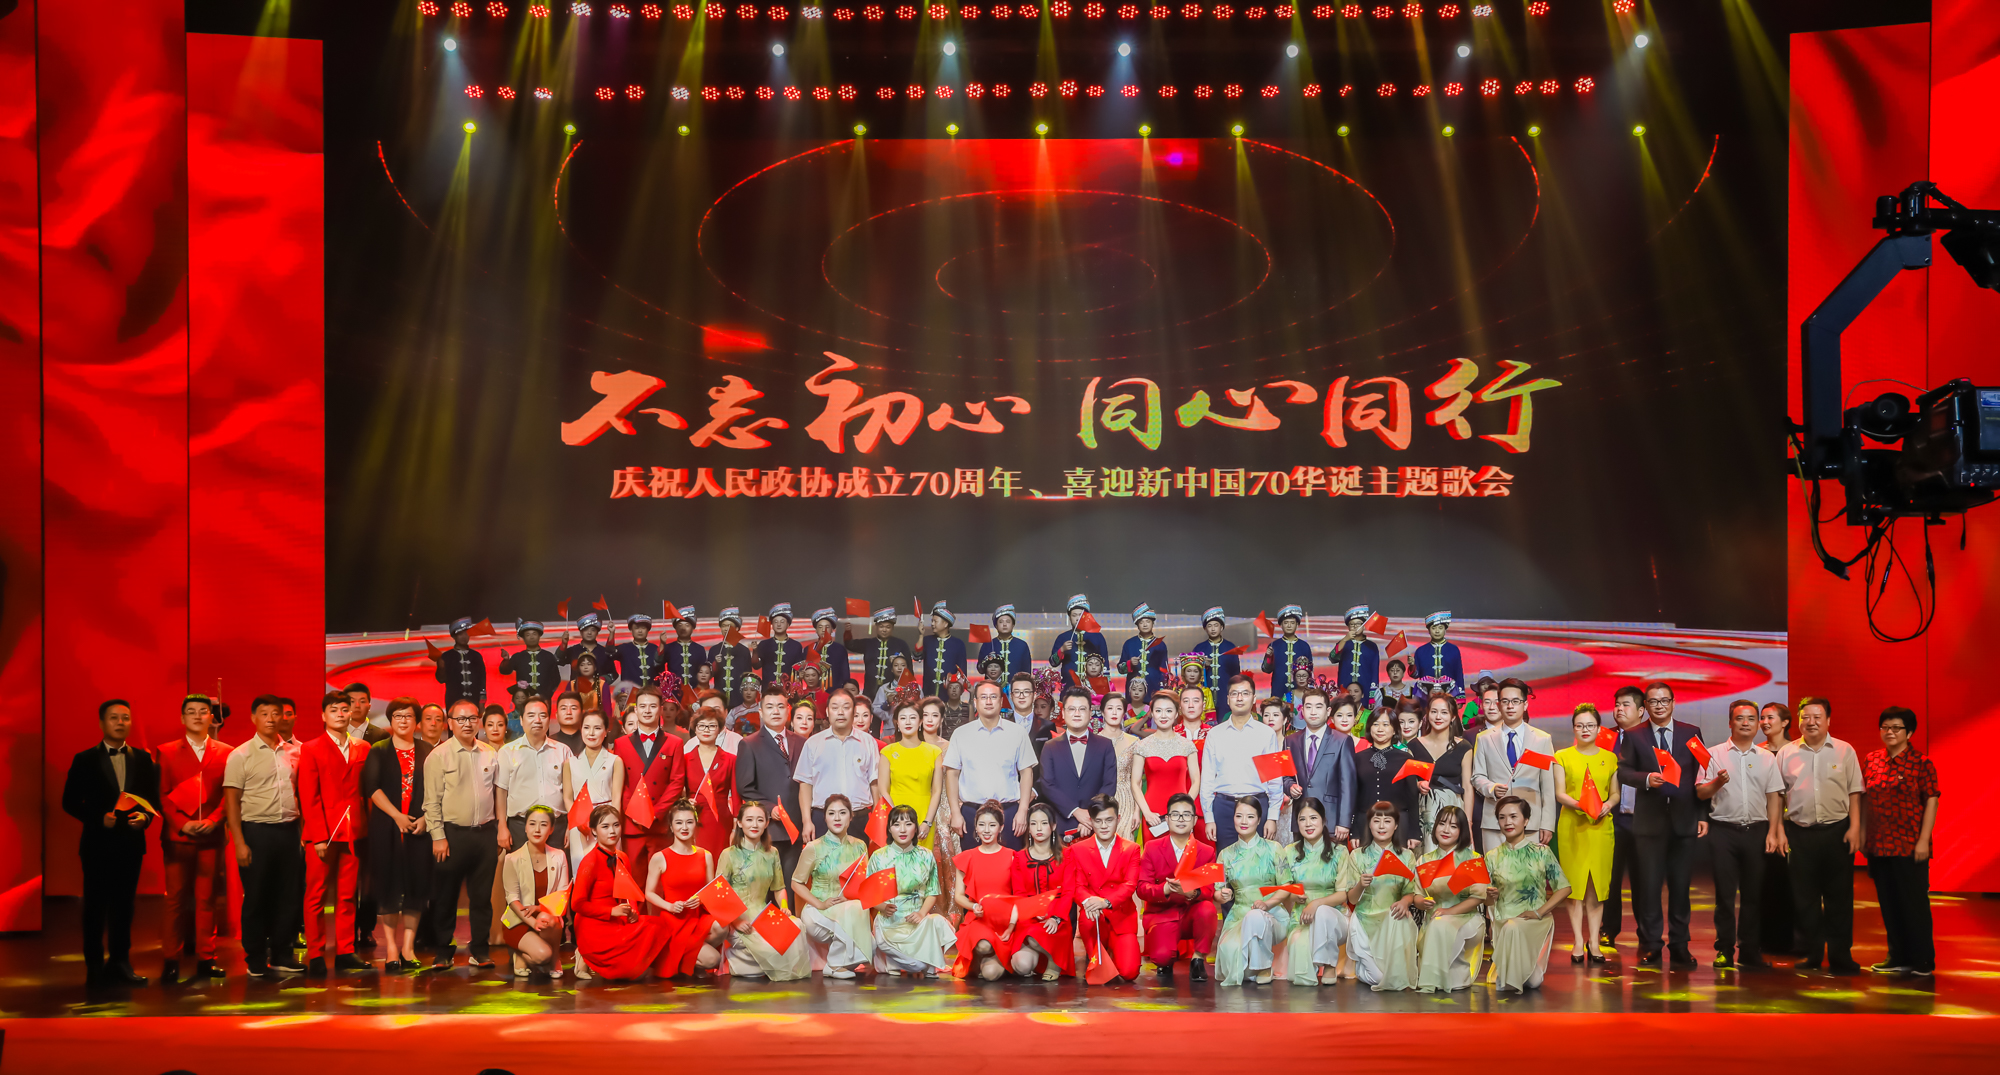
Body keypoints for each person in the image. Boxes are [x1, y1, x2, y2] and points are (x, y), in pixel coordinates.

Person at [64, 699, 158, 987]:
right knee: (95, 907)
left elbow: (152, 800)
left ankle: (120, 962)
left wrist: (145, 817)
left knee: (124, 907)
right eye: (114, 717)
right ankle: (94, 966)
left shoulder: (143, 759)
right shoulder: (85, 759)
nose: (120, 722)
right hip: (97, 845)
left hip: (131, 844)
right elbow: (69, 801)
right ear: (102, 723)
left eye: (125, 718)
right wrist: (97, 819)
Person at [1616, 680, 1707, 970]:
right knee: (1650, 887)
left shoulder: (1691, 733)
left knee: (1681, 888)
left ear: (1673, 703)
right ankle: (1651, 945)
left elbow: (1702, 774)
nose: (1659, 706)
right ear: (1645, 706)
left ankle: (1680, 945)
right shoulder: (1635, 735)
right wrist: (1645, 779)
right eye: (1653, 701)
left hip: (1684, 821)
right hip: (1649, 823)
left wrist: (1703, 815)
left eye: (1664, 700)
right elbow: (1623, 772)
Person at [1776, 696, 1866, 974]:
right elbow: (1777, 796)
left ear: (1828, 720)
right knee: (1806, 899)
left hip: (1837, 832)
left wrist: (1855, 827)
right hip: (1799, 833)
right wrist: (1778, 831)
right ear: (1798, 721)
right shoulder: (1786, 753)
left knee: (1840, 898)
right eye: (1806, 717)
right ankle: (1813, 954)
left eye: (1817, 717)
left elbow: (1855, 791)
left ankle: (1841, 956)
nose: (1811, 722)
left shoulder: (1844, 750)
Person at [1694, 698, 1786, 971]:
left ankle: (1749, 951)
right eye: (1740, 718)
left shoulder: (1767, 757)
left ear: (1758, 724)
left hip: (1756, 831)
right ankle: (1724, 950)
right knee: (1724, 896)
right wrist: (1717, 782)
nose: (1746, 723)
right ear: (1730, 722)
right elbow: (1700, 792)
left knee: (1753, 895)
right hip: (1723, 832)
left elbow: (1774, 796)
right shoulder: (1713, 754)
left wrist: (1773, 831)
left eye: (1751, 719)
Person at [224, 695, 305, 978]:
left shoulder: (296, 752)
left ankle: (282, 954)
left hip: (289, 831)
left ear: (283, 717)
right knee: (257, 896)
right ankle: (256, 957)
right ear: (253, 718)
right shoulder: (240, 755)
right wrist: (239, 842)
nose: (271, 719)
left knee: (288, 896)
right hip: (256, 832)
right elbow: (231, 802)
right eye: (264, 713)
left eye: (276, 713)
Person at [155, 693, 231, 983]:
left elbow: (229, 793)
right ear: (182, 717)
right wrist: (182, 824)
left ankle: (206, 958)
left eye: (203, 711)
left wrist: (213, 820)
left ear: (212, 717)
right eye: (191, 711)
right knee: (175, 900)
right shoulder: (166, 751)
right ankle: (171, 960)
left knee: (207, 900)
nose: (198, 716)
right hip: (178, 837)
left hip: (211, 836)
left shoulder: (227, 752)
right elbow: (161, 795)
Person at [422, 698, 500, 972]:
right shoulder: (438, 756)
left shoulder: (490, 753)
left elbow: (498, 794)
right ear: (450, 723)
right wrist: (438, 836)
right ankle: (443, 951)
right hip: (451, 835)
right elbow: (431, 802)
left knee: (482, 898)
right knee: (446, 897)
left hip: (485, 835)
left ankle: (480, 950)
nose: (468, 724)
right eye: (461, 719)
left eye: (472, 718)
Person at [298, 691, 370, 976]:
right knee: (316, 896)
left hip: (354, 832)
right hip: (323, 834)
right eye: (334, 710)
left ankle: (345, 951)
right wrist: (317, 836)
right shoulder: (311, 748)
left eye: (344, 709)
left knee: (348, 895)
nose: (340, 714)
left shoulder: (363, 747)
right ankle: (316, 953)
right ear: (323, 715)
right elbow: (309, 796)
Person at [1864, 705, 1939, 977]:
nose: (1890, 732)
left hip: (1909, 844)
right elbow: (1864, 799)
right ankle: (1897, 956)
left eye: (1896, 728)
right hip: (1878, 845)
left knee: (1913, 903)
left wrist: (1923, 840)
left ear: (1910, 733)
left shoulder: (1922, 763)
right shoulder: (1872, 760)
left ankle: (1922, 960)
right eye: (1885, 727)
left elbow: (1931, 801)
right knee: (1888, 903)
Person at [363, 698, 434, 973]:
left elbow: (438, 789)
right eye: (397, 716)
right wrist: (397, 816)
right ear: (390, 720)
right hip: (387, 827)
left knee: (417, 887)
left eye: (408, 716)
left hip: (420, 828)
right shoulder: (379, 750)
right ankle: (391, 948)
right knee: (388, 886)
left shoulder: (428, 751)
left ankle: (408, 947)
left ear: (417, 722)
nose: (403, 721)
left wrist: (426, 818)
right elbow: (372, 787)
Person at [573, 805, 676, 979]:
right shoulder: (590, 861)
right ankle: (583, 954)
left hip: (618, 920)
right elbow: (577, 904)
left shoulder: (622, 857)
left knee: (659, 926)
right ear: (594, 831)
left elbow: (628, 893)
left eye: (616, 825)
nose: (612, 831)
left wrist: (633, 912)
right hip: (594, 924)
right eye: (605, 826)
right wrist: (610, 911)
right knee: (628, 971)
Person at [712, 801, 811, 980]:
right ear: (739, 823)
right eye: (749, 819)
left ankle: (757, 964)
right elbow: (719, 894)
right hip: (740, 918)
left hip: (763, 915)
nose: (755, 824)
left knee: (796, 926)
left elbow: (779, 888)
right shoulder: (729, 854)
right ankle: (739, 960)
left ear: (766, 823)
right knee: (770, 950)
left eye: (760, 820)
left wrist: (784, 906)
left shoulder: (772, 853)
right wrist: (735, 922)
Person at [1553, 702, 1619, 965]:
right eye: (1579, 725)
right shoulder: (1562, 756)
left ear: (1599, 728)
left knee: (1597, 887)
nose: (1585, 729)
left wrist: (1607, 805)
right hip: (1573, 825)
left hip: (1601, 827)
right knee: (1575, 887)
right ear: (1573, 728)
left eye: (1590, 725)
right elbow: (1560, 793)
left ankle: (1594, 941)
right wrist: (1582, 805)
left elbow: (1615, 793)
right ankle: (1578, 940)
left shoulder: (1610, 758)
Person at [1485, 796, 1572, 992]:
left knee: (1533, 982)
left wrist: (1539, 912)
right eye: (1502, 817)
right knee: (1510, 928)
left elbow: (1564, 888)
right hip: (1504, 921)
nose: (1507, 822)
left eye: (1513, 816)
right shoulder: (1492, 856)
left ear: (1526, 820)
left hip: (1535, 921)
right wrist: (1489, 897)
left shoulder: (1542, 852)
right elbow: (1486, 900)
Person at [943, 680, 1038, 849]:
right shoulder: (961, 734)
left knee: (1010, 862)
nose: (988, 701)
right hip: (971, 812)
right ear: (975, 702)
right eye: (983, 697)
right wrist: (955, 812)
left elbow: (1026, 773)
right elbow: (952, 774)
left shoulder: (1017, 732)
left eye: (993, 697)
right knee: (973, 863)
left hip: (1009, 812)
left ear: (1001, 701)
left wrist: (1023, 810)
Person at [1134, 791, 1216, 983]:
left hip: (1191, 912)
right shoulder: (1152, 848)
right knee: (1162, 958)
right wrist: (1165, 890)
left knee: (1208, 909)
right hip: (1162, 914)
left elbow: (1209, 890)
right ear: (1167, 819)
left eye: (1186, 815)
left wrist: (1193, 892)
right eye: (1175, 815)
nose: (1181, 819)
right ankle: (1167, 956)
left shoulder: (1207, 851)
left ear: (1194, 820)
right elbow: (1142, 888)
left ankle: (1198, 958)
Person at [1284, 796, 1365, 987]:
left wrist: (1316, 903)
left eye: (1313, 818)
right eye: (1302, 819)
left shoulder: (1339, 852)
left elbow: (1343, 894)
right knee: (1301, 955)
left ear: (1324, 820)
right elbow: (1285, 890)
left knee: (1322, 912)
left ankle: (1329, 964)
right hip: (1301, 917)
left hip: (1335, 917)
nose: (1308, 824)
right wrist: (1294, 896)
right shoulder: (1289, 852)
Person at [1213, 796, 1293, 986]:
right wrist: (1223, 895)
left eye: (1250, 817)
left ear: (1258, 820)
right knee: (1229, 951)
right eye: (1239, 816)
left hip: (1272, 914)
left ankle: (1263, 966)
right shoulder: (1225, 854)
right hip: (1239, 915)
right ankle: (1251, 969)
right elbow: (1217, 892)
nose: (1243, 821)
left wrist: (1267, 903)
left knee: (1256, 916)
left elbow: (1286, 887)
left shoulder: (1274, 848)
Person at [867, 804, 955, 976]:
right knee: (917, 966)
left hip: (916, 923)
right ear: (889, 829)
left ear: (916, 828)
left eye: (908, 824)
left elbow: (932, 892)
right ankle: (895, 957)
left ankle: (902, 961)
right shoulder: (879, 857)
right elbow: (870, 894)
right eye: (896, 824)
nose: (902, 829)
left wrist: (921, 913)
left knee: (936, 921)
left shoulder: (926, 855)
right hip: (890, 923)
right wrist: (882, 907)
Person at [792, 793, 874, 977]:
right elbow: (796, 883)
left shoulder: (860, 846)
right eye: (831, 813)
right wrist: (820, 904)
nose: (837, 818)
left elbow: (863, 883)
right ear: (825, 818)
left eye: (842, 813)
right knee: (860, 937)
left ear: (851, 817)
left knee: (872, 947)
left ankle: (837, 963)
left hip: (850, 909)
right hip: (818, 911)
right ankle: (835, 965)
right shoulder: (814, 847)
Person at [1340, 801, 1419, 990]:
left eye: (1387, 821)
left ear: (1396, 825)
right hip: (1365, 920)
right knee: (1380, 979)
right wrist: (1361, 884)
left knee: (1396, 979)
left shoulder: (1407, 856)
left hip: (1393, 921)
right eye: (1376, 821)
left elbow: (1410, 892)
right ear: (1369, 824)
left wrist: (1404, 902)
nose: (1382, 826)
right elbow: (1352, 899)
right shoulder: (1357, 855)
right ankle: (1360, 966)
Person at [1200, 676, 1283, 851]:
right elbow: (1207, 779)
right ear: (1227, 699)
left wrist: (1272, 817)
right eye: (1234, 694)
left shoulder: (1266, 733)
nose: (1239, 698)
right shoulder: (1215, 734)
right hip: (1224, 808)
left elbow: (1274, 779)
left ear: (1253, 699)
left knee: (1259, 861)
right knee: (1226, 861)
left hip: (1257, 805)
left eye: (1245, 693)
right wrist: (1209, 818)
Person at [1472, 678, 1555, 851]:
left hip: (1530, 822)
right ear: (1499, 705)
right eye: (1505, 701)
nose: (1510, 706)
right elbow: (1477, 776)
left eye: (1515, 701)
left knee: (1528, 868)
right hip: (1494, 822)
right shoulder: (1484, 738)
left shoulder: (1542, 739)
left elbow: (1547, 785)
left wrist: (1547, 823)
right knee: (1495, 868)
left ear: (1525, 705)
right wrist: (1491, 788)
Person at [643, 800, 724, 978]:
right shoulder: (660, 857)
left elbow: (710, 891)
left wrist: (701, 899)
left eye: (689, 822)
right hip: (674, 921)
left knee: (723, 926)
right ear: (671, 827)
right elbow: (649, 893)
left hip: (698, 917)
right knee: (713, 959)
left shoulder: (706, 855)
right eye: (679, 823)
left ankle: (685, 959)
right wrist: (670, 906)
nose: (684, 827)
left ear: (696, 824)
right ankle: (679, 959)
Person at [737, 685, 810, 881]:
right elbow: (745, 788)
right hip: (769, 828)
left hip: (798, 826)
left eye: (780, 706)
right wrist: (770, 809)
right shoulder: (749, 744)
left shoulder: (802, 743)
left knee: (793, 883)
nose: (775, 711)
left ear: (788, 710)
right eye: (769, 707)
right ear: (761, 712)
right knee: (768, 885)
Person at [1066, 795, 1141, 983]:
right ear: (1091, 822)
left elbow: (1130, 885)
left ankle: (1111, 952)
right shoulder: (1077, 849)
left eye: (1109, 820)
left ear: (1118, 819)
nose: (1104, 826)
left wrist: (1106, 902)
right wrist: (1088, 902)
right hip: (1094, 918)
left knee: (1129, 972)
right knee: (1088, 918)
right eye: (1098, 821)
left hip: (1121, 917)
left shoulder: (1131, 849)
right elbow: (1077, 886)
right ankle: (1096, 951)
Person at [613, 686, 687, 868]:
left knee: (662, 877)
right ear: (636, 709)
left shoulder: (675, 742)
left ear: (660, 709)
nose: (647, 711)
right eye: (643, 706)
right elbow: (620, 783)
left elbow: (677, 782)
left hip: (661, 824)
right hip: (632, 825)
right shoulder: (620, 743)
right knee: (633, 878)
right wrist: (634, 812)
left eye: (652, 706)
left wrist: (656, 812)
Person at [1415, 805, 1486, 992]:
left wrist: (1449, 911)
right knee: (1437, 924)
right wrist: (1422, 902)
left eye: (1453, 826)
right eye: (1442, 824)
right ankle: (1440, 976)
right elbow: (1417, 896)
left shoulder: (1473, 859)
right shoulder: (1424, 860)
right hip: (1433, 917)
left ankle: (1436, 978)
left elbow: (1478, 897)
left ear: (1462, 831)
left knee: (1440, 924)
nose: (1446, 830)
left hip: (1467, 917)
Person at [1598, 684, 1647, 953]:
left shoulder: (1650, 738)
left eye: (1626, 704)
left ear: (1641, 710)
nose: (1619, 709)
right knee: (1610, 879)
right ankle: (1608, 929)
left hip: (1644, 820)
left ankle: (1647, 933)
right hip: (1612, 819)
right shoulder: (1604, 738)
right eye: (1617, 704)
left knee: (1644, 881)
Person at [796, 687, 879, 842]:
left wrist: (876, 821)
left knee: (859, 858)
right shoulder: (813, 743)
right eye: (835, 708)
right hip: (822, 818)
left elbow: (874, 783)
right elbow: (805, 784)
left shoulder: (868, 742)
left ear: (853, 712)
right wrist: (807, 821)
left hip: (859, 819)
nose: (840, 712)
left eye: (846, 707)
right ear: (827, 712)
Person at [1039, 687, 1120, 843]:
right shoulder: (1050, 747)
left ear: (1090, 713)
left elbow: (1109, 784)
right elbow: (1047, 785)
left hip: (1096, 825)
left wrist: (1090, 815)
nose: (1077, 714)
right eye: (1071, 709)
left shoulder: (1105, 745)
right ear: (1063, 713)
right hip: (1061, 825)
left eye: (1082, 709)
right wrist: (1075, 811)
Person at [499, 805, 571, 980]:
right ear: (525, 827)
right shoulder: (512, 859)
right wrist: (532, 921)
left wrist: (539, 909)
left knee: (548, 918)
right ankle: (521, 955)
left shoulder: (559, 856)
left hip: (547, 919)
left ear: (551, 829)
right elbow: (512, 899)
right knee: (542, 956)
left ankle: (555, 959)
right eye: (532, 824)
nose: (537, 829)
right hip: (519, 920)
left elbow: (562, 895)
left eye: (543, 824)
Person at [950, 803, 1020, 980]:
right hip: (979, 919)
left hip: (1006, 921)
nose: (986, 830)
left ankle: (998, 959)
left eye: (992, 825)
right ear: (976, 827)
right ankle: (980, 956)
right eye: (981, 825)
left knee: (990, 975)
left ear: (1001, 827)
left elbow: (1019, 896)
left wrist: (1012, 924)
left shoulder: (1013, 856)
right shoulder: (967, 857)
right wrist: (973, 907)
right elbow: (959, 896)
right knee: (984, 945)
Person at [1009, 802, 1077, 979]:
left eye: (1044, 823)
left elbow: (1068, 891)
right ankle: (1043, 957)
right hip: (1030, 916)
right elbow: (1019, 894)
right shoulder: (1019, 857)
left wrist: (1056, 917)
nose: (1038, 828)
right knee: (1021, 966)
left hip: (1057, 916)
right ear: (1028, 828)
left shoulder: (1067, 855)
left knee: (1039, 935)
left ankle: (1055, 962)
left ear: (1053, 826)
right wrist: (1033, 911)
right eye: (1033, 823)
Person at [497, 696, 572, 854]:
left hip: (557, 827)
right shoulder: (507, 752)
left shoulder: (563, 751)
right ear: (521, 720)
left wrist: (572, 827)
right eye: (531, 715)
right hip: (519, 827)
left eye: (542, 715)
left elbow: (572, 793)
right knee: (521, 869)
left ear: (549, 720)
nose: (537, 720)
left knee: (557, 869)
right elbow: (501, 792)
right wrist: (502, 827)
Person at [1134, 692, 1202, 843]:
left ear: (1176, 714)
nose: (1163, 715)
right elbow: (1135, 783)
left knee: (1182, 853)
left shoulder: (1187, 745)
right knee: (1154, 853)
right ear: (1152, 714)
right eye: (1158, 711)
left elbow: (1196, 781)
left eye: (1169, 711)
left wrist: (1185, 809)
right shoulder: (1142, 745)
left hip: (1181, 812)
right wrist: (1146, 812)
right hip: (1153, 813)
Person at [1352, 704, 1422, 850]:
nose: (1380, 729)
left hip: (1398, 823)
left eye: (1385, 724)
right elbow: (1354, 797)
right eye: (1375, 724)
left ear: (1394, 729)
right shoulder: (1358, 758)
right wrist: (1354, 831)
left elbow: (1412, 797)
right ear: (1369, 728)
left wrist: (1414, 832)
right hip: (1365, 822)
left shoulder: (1406, 758)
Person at [878, 699, 944, 850]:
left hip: (923, 814)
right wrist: (896, 821)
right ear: (897, 722)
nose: (908, 722)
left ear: (920, 721)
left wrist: (927, 822)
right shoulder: (887, 752)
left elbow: (937, 791)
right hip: (894, 814)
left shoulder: (934, 752)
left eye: (912, 717)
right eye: (903, 718)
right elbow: (883, 790)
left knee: (921, 860)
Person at [1408, 690, 1470, 852]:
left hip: (1452, 807)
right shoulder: (1414, 745)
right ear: (1427, 714)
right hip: (1423, 810)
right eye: (1434, 712)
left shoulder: (1463, 747)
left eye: (1444, 712)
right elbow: (1407, 782)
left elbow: (1468, 787)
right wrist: (1417, 784)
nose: (1438, 717)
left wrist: (1468, 823)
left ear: (1453, 717)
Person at [565, 710, 624, 867]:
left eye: (597, 728)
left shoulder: (615, 761)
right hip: (580, 824)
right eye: (586, 727)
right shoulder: (570, 762)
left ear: (605, 731)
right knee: (581, 868)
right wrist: (578, 820)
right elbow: (567, 797)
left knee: (608, 869)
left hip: (607, 822)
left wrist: (612, 823)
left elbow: (616, 797)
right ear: (581, 730)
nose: (591, 733)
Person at [684, 708, 739, 855]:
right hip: (692, 818)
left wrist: (736, 827)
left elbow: (736, 796)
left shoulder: (730, 759)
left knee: (719, 859)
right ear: (695, 729)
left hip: (721, 820)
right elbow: (677, 790)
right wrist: (685, 802)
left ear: (719, 729)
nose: (706, 730)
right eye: (702, 725)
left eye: (712, 726)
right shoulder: (685, 759)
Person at [1098, 694, 1143, 842]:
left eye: (1119, 709)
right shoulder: (1093, 741)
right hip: (1101, 799)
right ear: (1102, 712)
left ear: (1124, 713)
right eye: (1110, 708)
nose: (1114, 712)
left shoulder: (1134, 742)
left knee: (1125, 845)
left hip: (1126, 799)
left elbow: (1137, 780)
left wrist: (1137, 811)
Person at [853, 607, 912, 701]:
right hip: (869, 692)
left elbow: (909, 671)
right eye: (881, 626)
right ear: (876, 626)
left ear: (892, 628)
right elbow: (849, 645)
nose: (884, 630)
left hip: (893, 693)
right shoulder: (868, 643)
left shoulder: (901, 645)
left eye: (888, 627)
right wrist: (847, 632)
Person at [1188, 609, 1240, 718]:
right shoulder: (1199, 648)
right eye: (1209, 626)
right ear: (1205, 628)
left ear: (1221, 627)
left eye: (1216, 625)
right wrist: (1202, 665)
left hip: (1225, 696)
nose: (1213, 629)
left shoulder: (1230, 647)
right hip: (1204, 697)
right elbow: (1191, 676)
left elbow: (1236, 675)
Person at [498, 620, 563, 705]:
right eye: (528, 635)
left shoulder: (548, 656)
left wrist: (546, 695)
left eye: (534, 634)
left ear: (539, 636)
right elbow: (505, 671)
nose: (531, 637)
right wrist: (506, 660)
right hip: (523, 700)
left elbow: (556, 679)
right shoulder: (518, 657)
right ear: (523, 638)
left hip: (544, 700)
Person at [1261, 605, 1314, 703]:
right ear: (1281, 625)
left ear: (1297, 625)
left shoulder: (1304, 646)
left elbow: (1310, 673)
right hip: (1278, 691)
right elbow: (1266, 669)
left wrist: (1311, 691)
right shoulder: (1274, 645)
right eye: (1286, 623)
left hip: (1299, 693)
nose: (1289, 626)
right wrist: (1269, 657)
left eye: (1292, 623)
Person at [432, 617, 487, 709]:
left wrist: (482, 702)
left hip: (474, 701)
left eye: (466, 633)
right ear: (454, 636)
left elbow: (482, 680)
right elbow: (441, 680)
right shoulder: (446, 656)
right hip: (453, 702)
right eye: (460, 634)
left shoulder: (476, 656)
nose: (464, 636)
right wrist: (441, 668)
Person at [914, 602, 966, 697]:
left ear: (945, 624)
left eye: (935, 621)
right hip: (928, 693)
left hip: (949, 696)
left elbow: (962, 673)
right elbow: (917, 656)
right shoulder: (927, 640)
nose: (932, 624)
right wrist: (921, 635)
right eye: (932, 621)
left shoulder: (958, 644)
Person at [1409, 611, 1465, 696]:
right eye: (1434, 628)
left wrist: (1460, 696)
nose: (1437, 631)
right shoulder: (1420, 651)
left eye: (1440, 628)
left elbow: (1458, 674)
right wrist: (1412, 666)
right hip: (1426, 695)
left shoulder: (1453, 650)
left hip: (1449, 694)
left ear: (1445, 629)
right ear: (1429, 630)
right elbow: (1416, 675)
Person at [1330, 605, 1381, 700]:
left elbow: (1375, 671)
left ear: (1364, 626)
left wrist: (1372, 696)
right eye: (1352, 624)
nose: (1355, 627)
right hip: (1344, 688)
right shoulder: (1344, 643)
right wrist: (1345, 639)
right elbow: (1332, 658)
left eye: (1358, 624)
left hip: (1365, 689)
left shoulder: (1372, 646)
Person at [1120, 603, 1171, 696]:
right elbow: (1120, 669)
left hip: (1154, 688)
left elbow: (1164, 669)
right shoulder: (1129, 644)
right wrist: (1129, 663)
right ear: (1137, 625)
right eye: (1141, 622)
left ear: (1153, 623)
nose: (1145, 625)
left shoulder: (1160, 644)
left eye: (1148, 621)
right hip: (1133, 690)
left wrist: (1162, 688)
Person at [556, 611, 618, 681]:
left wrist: (600, 681)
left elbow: (613, 675)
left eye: (593, 630)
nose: (589, 633)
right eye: (585, 630)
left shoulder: (604, 652)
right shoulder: (573, 650)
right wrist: (564, 643)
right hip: (576, 688)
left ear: (597, 632)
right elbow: (558, 660)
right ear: (581, 632)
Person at [755, 603, 806, 686]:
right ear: (772, 625)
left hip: (788, 690)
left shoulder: (796, 646)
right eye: (775, 622)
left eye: (782, 622)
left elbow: (798, 670)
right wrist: (755, 651)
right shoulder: (764, 644)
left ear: (788, 624)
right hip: (768, 689)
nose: (778, 624)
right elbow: (756, 666)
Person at [975, 604, 1031, 679]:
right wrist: (986, 661)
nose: (1004, 624)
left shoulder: (1022, 645)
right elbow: (980, 670)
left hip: (1015, 686)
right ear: (996, 625)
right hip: (992, 685)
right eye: (1001, 622)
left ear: (1013, 625)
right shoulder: (987, 644)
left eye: (1008, 622)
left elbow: (1027, 673)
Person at [614, 612, 665, 688]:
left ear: (648, 630)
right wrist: (612, 633)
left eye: (643, 628)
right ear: (631, 629)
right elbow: (609, 653)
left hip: (651, 692)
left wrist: (662, 644)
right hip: (630, 692)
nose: (640, 631)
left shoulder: (654, 649)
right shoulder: (624, 648)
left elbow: (661, 671)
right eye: (636, 628)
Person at [662, 606, 708, 689]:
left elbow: (704, 672)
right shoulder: (669, 648)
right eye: (680, 625)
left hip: (695, 692)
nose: (683, 628)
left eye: (687, 625)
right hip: (674, 691)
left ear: (692, 628)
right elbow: (657, 666)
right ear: (675, 628)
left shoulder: (699, 649)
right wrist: (662, 645)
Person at [550, 690, 588, 755]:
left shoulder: (590, 741)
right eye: (563, 708)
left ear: (582, 713)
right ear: (556, 715)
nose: (568, 712)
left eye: (573, 708)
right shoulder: (549, 743)